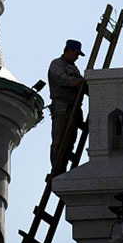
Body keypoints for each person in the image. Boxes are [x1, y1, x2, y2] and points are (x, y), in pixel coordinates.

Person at [48, 39, 86, 172]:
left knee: (70, 141)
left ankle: (64, 168)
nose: (76, 57)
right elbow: (63, 80)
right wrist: (78, 83)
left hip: (74, 108)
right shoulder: (56, 64)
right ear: (69, 50)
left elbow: (82, 85)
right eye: (76, 53)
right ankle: (57, 169)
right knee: (59, 140)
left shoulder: (74, 68)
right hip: (62, 107)